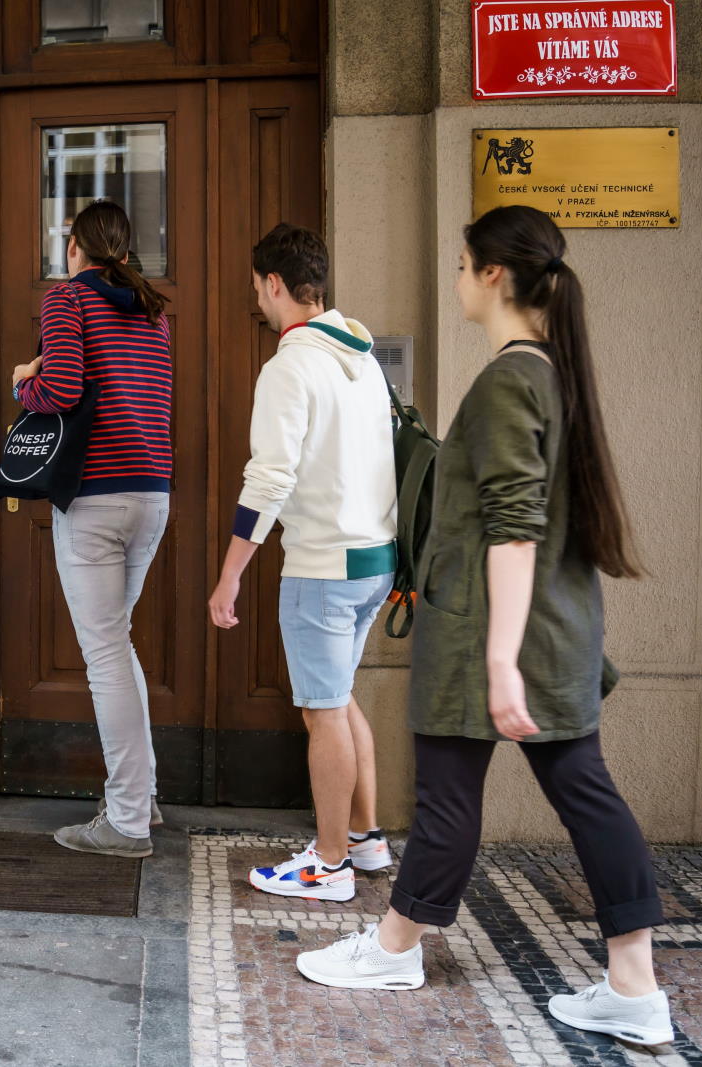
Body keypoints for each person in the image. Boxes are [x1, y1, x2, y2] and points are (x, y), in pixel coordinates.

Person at [295, 205, 673, 1048]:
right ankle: (634, 983)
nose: (458, 279)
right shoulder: (552, 372)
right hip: (552, 629)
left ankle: (396, 947)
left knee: (450, 799)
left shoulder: (512, 378)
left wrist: (500, 660)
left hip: (492, 635)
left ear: (494, 275)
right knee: (582, 792)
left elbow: (513, 523)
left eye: (464, 266)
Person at [209, 223, 397, 902]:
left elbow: (269, 479)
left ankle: (328, 863)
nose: (257, 298)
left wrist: (231, 572)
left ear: (276, 284)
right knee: (341, 697)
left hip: (323, 564)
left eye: (258, 286)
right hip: (375, 556)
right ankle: (367, 840)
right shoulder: (363, 359)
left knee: (323, 711)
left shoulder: (291, 366)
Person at [12, 200, 173, 858]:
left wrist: (27, 382)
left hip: (97, 498)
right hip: (152, 494)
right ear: (125, 252)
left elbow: (65, 388)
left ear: (74, 245)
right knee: (117, 645)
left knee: (105, 655)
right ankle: (144, 795)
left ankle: (128, 822)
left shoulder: (67, 299)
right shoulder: (152, 309)